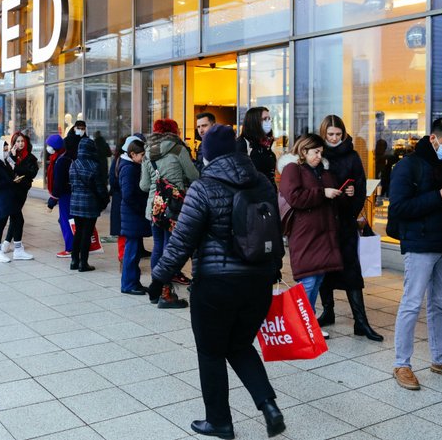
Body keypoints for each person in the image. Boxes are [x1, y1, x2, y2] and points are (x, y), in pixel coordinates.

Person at [148, 124, 286, 439]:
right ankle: (268, 405)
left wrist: (158, 279)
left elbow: (181, 242)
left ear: (207, 154)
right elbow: (275, 232)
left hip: (216, 285)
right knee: (238, 344)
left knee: (211, 351)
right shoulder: (263, 183)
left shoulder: (204, 187)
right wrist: (273, 271)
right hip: (259, 282)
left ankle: (220, 422)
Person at [389, 116, 442, 391]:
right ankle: (402, 363)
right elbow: (399, 208)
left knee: (439, 304)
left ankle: (441, 359)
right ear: (433, 138)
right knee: (412, 303)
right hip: (420, 243)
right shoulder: (407, 166)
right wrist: (437, 197)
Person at [315, 115, 383, 342]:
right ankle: (328, 310)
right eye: (330, 134)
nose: (334, 138)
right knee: (324, 270)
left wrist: (352, 195)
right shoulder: (317, 154)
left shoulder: (352, 156)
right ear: (323, 134)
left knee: (351, 270)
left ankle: (360, 321)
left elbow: (361, 185)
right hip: (323, 222)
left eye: (338, 134)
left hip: (344, 221)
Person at [278, 133, 344, 337]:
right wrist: (322, 193)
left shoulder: (321, 170)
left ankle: (308, 322)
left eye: (321, 152)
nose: (319, 156)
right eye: (315, 152)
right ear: (303, 150)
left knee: (317, 279)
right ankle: (301, 325)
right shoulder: (292, 168)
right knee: (307, 280)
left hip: (323, 233)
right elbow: (294, 197)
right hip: (305, 233)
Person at [140, 118, 199, 306]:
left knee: (158, 245)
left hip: (155, 207)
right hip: (173, 207)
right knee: (170, 247)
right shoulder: (179, 149)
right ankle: (165, 292)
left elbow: (144, 185)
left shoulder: (147, 153)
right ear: (174, 131)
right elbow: (194, 176)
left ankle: (156, 288)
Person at [69, 138, 108, 271]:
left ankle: (74, 261)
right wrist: (105, 199)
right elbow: (100, 188)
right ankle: (83, 263)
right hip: (90, 203)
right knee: (87, 232)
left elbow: (72, 183)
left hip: (75, 202)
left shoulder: (73, 164)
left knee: (78, 232)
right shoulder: (94, 166)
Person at [118, 137, 149, 294]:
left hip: (133, 216)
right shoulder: (129, 169)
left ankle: (133, 282)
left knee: (134, 252)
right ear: (132, 154)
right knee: (132, 252)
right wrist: (142, 209)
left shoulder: (130, 165)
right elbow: (128, 195)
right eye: (142, 155)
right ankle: (129, 284)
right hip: (133, 215)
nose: (144, 158)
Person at [2, 131, 38, 260]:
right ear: (14, 143)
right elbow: (5, 170)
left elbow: (31, 173)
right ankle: (12, 246)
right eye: (18, 141)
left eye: (22, 141)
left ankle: (7, 244)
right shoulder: (9, 156)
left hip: (22, 190)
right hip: (11, 190)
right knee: (16, 217)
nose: (20, 144)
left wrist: (15, 166)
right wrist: (11, 158)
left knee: (15, 216)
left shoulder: (31, 158)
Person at [45, 134, 75, 258]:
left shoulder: (60, 161)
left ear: (55, 147)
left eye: (49, 145)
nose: (48, 148)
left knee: (66, 221)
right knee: (71, 220)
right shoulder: (64, 157)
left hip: (65, 195)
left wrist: (52, 201)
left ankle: (70, 248)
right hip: (70, 193)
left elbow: (58, 183)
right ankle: (74, 246)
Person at [238, 106, 277, 188]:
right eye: (265, 119)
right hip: (253, 196)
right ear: (254, 122)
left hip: (269, 194)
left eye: (269, 119)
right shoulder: (243, 144)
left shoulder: (267, 143)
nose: (269, 122)